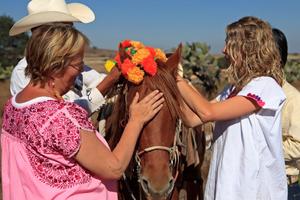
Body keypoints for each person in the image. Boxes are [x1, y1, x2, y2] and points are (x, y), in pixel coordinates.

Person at [1, 24, 164, 199]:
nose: (80, 71)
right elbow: (114, 168)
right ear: (56, 65)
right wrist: (136, 120)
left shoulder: (13, 105)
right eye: (78, 65)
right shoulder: (61, 118)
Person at [177, 16, 287, 199]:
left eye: (229, 43)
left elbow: (207, 112)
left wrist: (179, 81)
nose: (223, 49)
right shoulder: (232, 90)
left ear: (247, 48)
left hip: (252, 189)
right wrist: (171, 87)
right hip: (227, 185)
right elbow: (192, 119)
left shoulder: (265, 86)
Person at [9, 0, 114, 115]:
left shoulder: (71, 64)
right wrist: (110, 80)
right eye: (65, 30)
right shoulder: (22, 73)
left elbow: (97, 79)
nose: (71, 35)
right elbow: (58, 116)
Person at [273, 28, 300, 200]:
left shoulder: (292, 99)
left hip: (286, 188)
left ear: (276, 59)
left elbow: (298, 146)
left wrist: (259, 149)